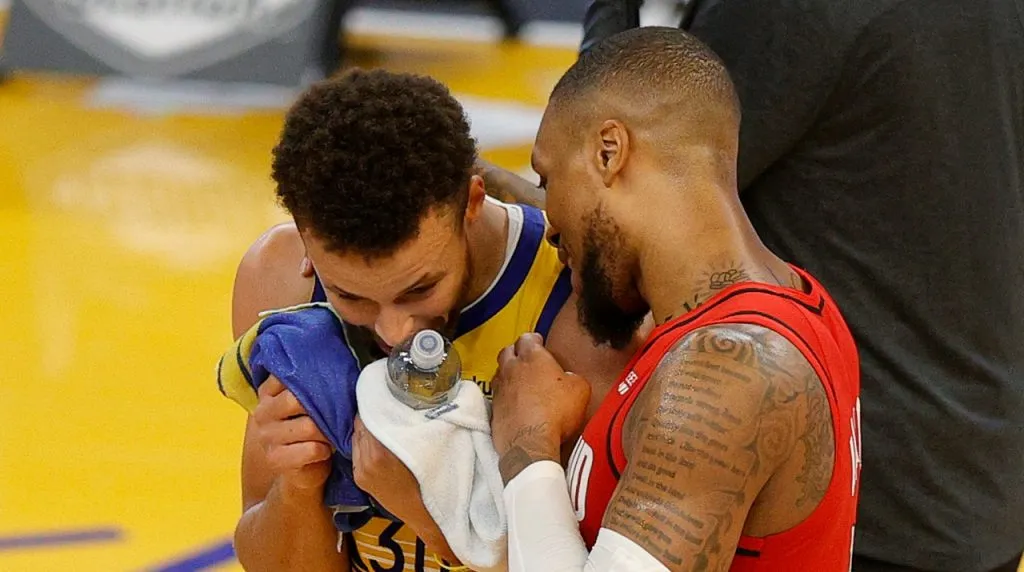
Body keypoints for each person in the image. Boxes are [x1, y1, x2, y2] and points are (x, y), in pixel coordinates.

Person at [571, 2, 1024, 571]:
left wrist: (527, 463)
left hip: (876, 496)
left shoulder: (783, 14)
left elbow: (612, 166)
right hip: (981, 472)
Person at [228, 68, 643, 572]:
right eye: (350, 295)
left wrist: (423, 510)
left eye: (419, 289)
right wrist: (299, 485)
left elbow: (596, 565)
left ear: (471, 204)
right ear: (305, 237)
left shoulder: (578, 307)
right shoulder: (279, 283)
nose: (394, 331)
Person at [488, 27, 861, 571]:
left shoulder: (723, 371)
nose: (550, 223)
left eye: (547, 180)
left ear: (609, 152)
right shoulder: (794, 300)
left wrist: (527, 447)